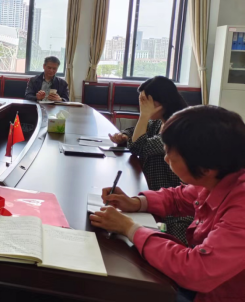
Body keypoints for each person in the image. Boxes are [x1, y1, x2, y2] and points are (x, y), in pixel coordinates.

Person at [91, 106, 245, 302]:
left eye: (171, 156)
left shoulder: (241, 208)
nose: (165, 159)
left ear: (206, 168)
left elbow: (197, 270)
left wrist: (130, 228)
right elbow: (178, 197)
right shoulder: (219, 175)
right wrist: (135, 203)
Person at [108, 76, 192, 242]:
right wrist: (124, 135)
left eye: (144, 101)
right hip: (156, 199)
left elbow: (140, 147)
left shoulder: (179, 129)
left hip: (176, 213)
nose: (141, 106)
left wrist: (144, 115)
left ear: (160, 101)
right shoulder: (159, 122)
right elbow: (136, 132)